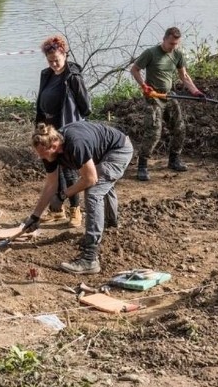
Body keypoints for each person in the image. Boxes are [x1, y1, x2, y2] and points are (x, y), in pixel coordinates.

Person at [22, 121, 133, 274]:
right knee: (103, 182)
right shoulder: (48, 149)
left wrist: (62, 196)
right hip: (102, 152)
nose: (42, 158)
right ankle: (111, 225)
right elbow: (50, 184)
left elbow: (90, 179)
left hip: (118, 149)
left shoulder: (75, 144)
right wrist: (35, 216)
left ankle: (90, 259)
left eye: (43, 154)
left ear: (54, 147)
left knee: (94, 191)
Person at [130, 26, 205, 181]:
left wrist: (196, 92)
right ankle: (142, 166)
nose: (173, 47)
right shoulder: (151, 53)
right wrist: (144, 86)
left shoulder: (177, 54)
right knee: (154, 132)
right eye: (171, 43)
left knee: (180, 128)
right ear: (164, 39)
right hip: (154, 97)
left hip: (169, 96)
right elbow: (135, 70)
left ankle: (174, 160)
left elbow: (184, 76)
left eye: (176, 44)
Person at [35, 35, 91, 228]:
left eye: (57, 60)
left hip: (67, 128)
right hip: (48, 129)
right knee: (53, 170)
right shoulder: (47, 74)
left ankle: (76, 210)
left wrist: (75, 126)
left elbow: (86, 106)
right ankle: (57, 211)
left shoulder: (73, 77)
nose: (54, 64)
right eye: (50, 61)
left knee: (69, 171)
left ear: (64, 55)